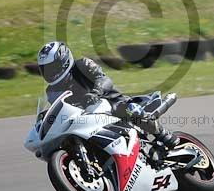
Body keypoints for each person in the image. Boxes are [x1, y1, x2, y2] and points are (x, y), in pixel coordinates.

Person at [37, 41, 178, 148]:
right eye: (45, 69)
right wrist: (44, 117)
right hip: (84, 118)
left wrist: (96, 92)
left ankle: (164, 136)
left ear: (64, 61)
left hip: (111, 103)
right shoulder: (51, 91)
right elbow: (56, 108)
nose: (49, 73)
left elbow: (104, 79)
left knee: (132, 110)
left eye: (52, 67)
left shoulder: (83, 65)